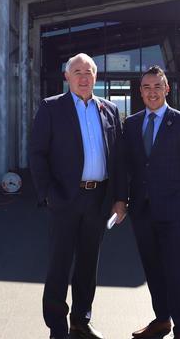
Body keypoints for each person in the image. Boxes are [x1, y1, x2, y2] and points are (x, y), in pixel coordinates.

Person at [30, 53, 123, 339]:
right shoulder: (51, 108)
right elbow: (37, 153)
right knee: (59, 264)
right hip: (65, 199)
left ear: (96, 77)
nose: (84, 77)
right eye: (78, 71)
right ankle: (57, 327)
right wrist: (48, 194)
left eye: (89, 72)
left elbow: (118, 158)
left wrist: (120, 198)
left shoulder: (109, 110)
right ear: (67, 77)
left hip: (99, 199)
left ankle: (81, 321)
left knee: (87, 264)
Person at [113, 65, 180, 339]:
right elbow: (125, 165)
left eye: (157, 86)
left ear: (167, 89)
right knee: (153, 269)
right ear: (140, 91)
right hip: (142, 211)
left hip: (173, 211)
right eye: (146, 87)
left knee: (177, 273)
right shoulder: (130, 124)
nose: (152, 92)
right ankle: (162, 320)